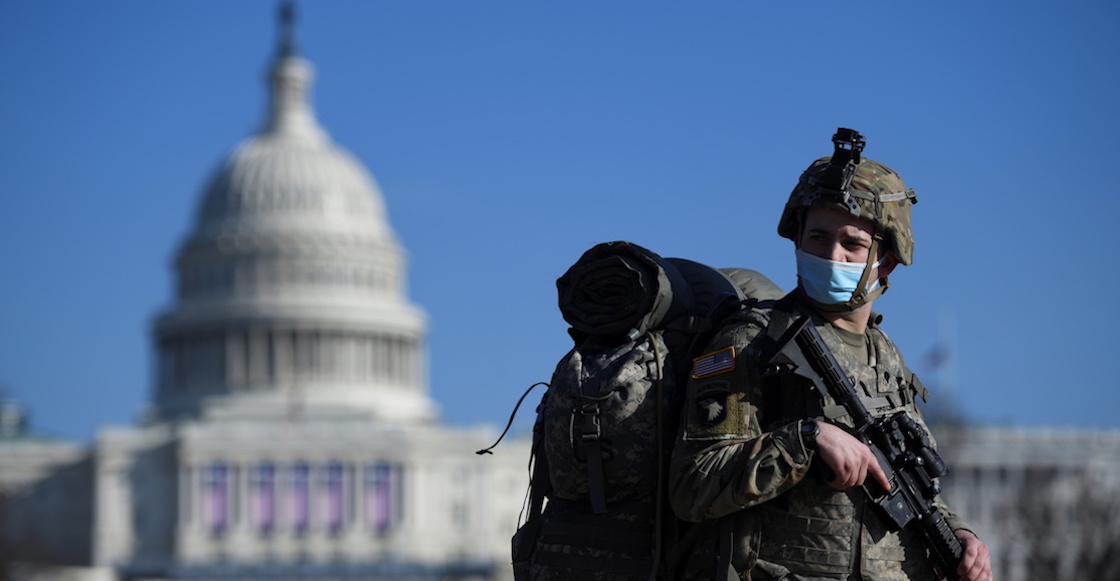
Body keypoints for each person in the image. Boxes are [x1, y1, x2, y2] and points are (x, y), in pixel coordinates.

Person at [668, 129, 992, 581]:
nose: (830, 254)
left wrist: (959, 534)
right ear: (797, 240)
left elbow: (907, 483)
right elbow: (693, 485)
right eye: (818, 238)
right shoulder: (753, 340)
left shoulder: (887, 359)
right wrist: (804, 439)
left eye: (852, 244)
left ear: (887, 261)